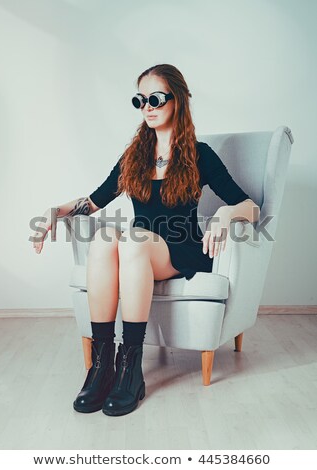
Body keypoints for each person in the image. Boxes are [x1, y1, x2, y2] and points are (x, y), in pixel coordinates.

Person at [31, 64, 260, 417]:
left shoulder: (199, 155)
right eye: (140, 100)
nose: (147, 107)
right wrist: (54, 211)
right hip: (139, 250)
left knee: (133, 240)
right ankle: (102, 364)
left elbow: (252, 208)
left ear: (177, 101)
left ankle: (130, 368)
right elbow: (92, 203)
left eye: (155, 98)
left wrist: (226, 214)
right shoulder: (134, 156)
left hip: (182, 251)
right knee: (107, 238)